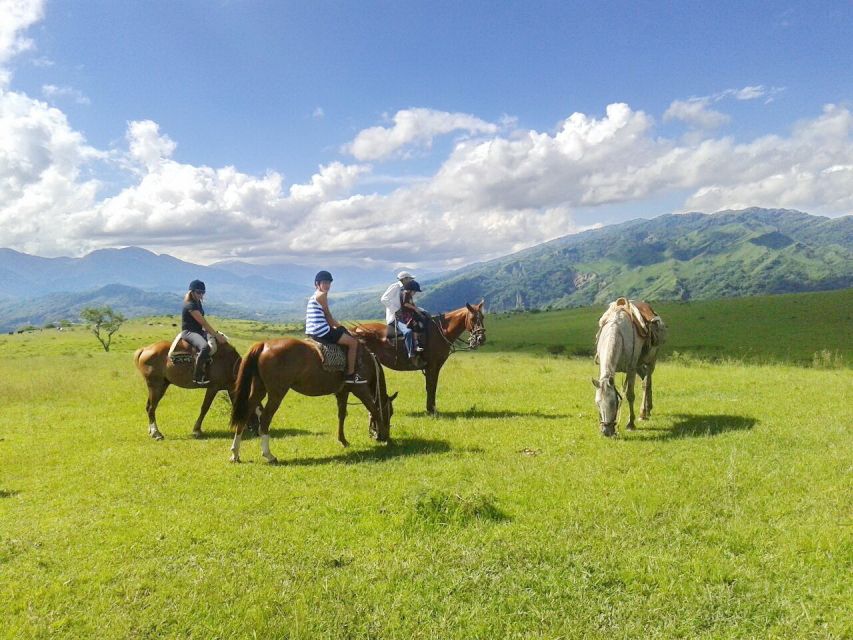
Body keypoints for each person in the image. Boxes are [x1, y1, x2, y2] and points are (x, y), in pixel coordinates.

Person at [305, 271, 366, 384]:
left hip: (312, 330)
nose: (327, 285)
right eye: (324, 283)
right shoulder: (322, 295)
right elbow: (328, 317)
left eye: (328, 283)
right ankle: (351, 375)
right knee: (353, 343)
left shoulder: (315, 295)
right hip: (322, 331)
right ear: (317, 284)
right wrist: (342, 327)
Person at [181, 279, 227, 385]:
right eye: (198, 292)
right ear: (191, 292)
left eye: (203, 292)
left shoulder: (198, 303)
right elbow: (204, 323)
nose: (201, 295)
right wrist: (215, 334)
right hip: (189, 332)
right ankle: (197, 376)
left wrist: (216, 334)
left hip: (198, 331)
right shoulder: (190, 305)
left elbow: (203, 325)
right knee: (205, 347)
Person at [380, 271, 418, 361]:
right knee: (408, 332)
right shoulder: (395, 287)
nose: (411, 281)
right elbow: (383, 299)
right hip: (396, 317)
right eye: (410, 279)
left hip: (403, 316)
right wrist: (396, 310)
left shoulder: (405, 289)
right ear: (404, 279)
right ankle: (411, 353)